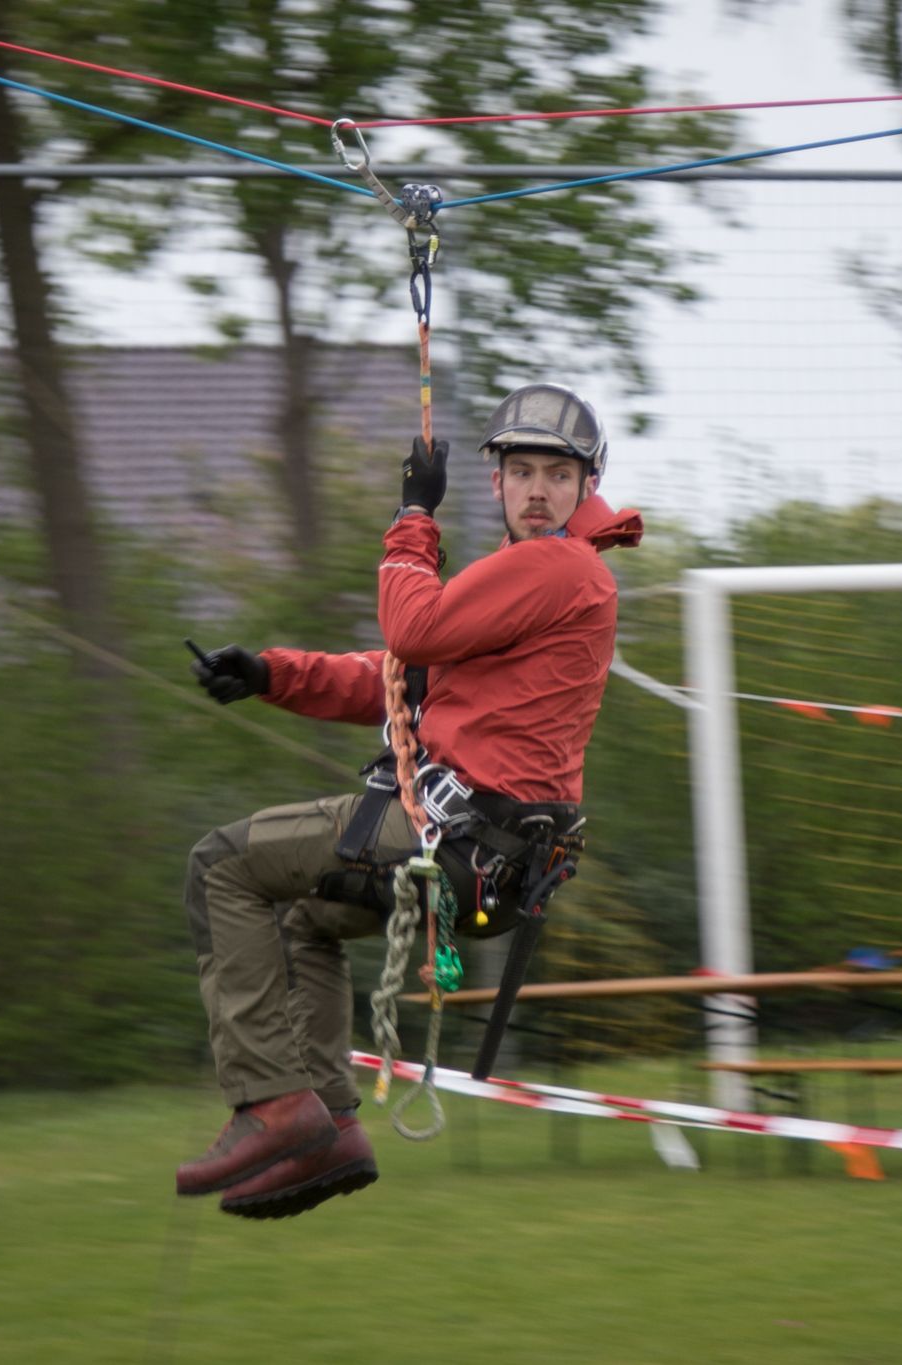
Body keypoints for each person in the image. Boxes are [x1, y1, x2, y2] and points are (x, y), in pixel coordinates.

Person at [175, 383, 643, 1220]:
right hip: (477, 853)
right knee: (305, 919)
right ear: (496, 482)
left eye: (558, 475)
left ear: (586, 487)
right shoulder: (518, 580)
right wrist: (272, 673)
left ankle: (273, 1105)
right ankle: (328, 1124)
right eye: (522, 470)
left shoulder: (561, 566)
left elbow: (412, 630)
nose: (538, 490)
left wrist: (411, 515)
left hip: (461, 837)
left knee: (222, 863)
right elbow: (399, 675)